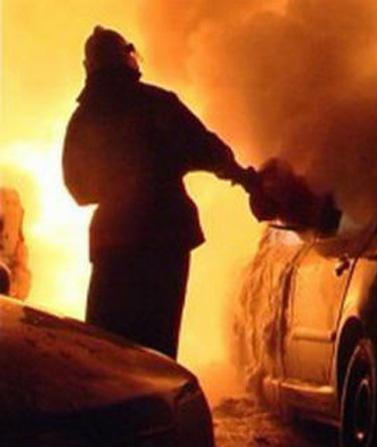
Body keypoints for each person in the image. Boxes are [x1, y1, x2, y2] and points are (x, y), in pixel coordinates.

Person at [63, 26, 260, 359]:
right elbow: (208, 151)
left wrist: (116, 189)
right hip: (165, 238)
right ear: (126, 58)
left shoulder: (83, 119)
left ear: (89, 66)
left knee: (106, 350)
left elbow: (77, 187)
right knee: (157, 353)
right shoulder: (157, 103)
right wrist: (245, 179)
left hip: (112, 243)